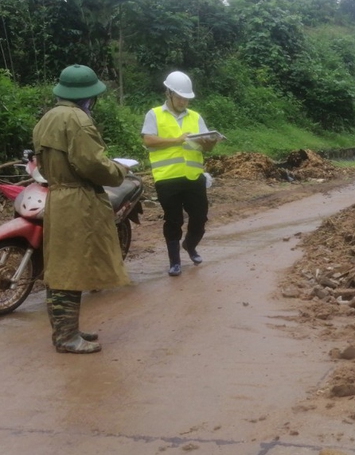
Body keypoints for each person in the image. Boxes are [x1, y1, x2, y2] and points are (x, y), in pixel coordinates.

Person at [32, 64, 131, 354]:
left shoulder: (46, 119)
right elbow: (93, 165)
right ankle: (65, 338)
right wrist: (118, 171)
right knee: (70, 269)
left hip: (58, 196)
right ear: (88, 96)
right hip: (78, 200)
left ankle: (67, 330)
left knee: (62, 265)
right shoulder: (78, 120)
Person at [141, 71, 219, 277]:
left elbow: (206, 148)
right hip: (167, 177)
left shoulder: (196, 117)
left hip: (194, 176)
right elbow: (148, 140)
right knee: (173, 220)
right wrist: (178, 139)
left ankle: (190, 245)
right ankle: (174, 262)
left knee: (200, 217)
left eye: (186, 98)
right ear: (169, 94)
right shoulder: (154, 114)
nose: (184, 101)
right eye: (179, 97)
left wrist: (210, 143)